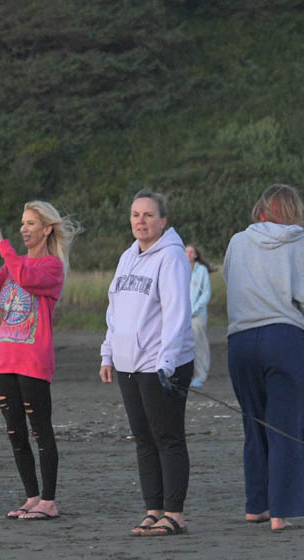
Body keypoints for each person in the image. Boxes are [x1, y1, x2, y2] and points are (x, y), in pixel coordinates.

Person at [223, 184, 304, 531]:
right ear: (295, 211)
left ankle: (257, 504)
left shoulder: (237, 242)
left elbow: (230, 280)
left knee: (255, 424)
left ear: (262, 210)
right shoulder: (300, 246)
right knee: (287, 426)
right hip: (282, 338)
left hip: (239, 340)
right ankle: (281, 511)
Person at [0, 201, 79, 520]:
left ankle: (49, 501)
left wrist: (2, 244)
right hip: (6, 359)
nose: (23, 229)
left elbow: (25, 278)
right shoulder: (12, 263)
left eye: (30, 224)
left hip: (33, 360)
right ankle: (32, 497)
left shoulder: (51, 267)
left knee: (40, 430)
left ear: (47, 229)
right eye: (22, 224)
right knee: (15, 432)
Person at [100, 190, 195, 536]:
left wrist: (166, 361)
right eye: (135, 214)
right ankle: (153, 509)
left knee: (167, 437)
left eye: (148, 215)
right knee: (143, 438)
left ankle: (175, 513)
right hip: (129, 364)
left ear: (163, 221)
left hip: (161, 364)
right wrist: (108, 353)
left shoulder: (171, 258)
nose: (141, 221)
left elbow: (177, 313)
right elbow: (115, 309)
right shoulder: (127, 257)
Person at [185, 244, 215, 388]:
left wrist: (194, 310)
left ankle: (200, 376)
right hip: (182, 315)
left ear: (196, 255)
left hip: (197, 315)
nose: (189, 254)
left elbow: (206, 293)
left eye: (191, 252)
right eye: (186, 252)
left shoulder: (201, 270)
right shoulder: (179, 269)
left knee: (198, 344)